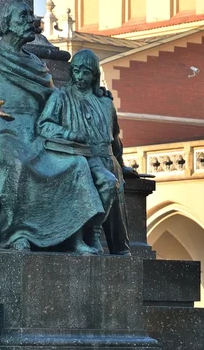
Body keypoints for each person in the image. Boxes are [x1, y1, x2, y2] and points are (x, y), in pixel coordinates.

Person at [0, 1, 106, 294]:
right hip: (1, 129)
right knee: (16, 163)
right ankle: (14, 233)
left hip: (36, 130)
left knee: (75, 165)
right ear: (6, 23)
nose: (30, 21)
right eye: (23, 16)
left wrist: (91, 97)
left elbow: (58, 100)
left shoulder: (36, 64)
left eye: (30, 16)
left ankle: (74, 236)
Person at [38, 49, 135, 255]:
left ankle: (109, 242)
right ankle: (92, 234)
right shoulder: (61, 97)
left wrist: (121, 163)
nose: (81, 77)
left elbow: (115, 137)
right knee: (107, 184)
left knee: (119, 231)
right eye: (77, 71)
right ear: (72, 72)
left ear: (94, 76)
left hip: (108, 158)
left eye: (86, 73)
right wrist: (68, 133)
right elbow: (44, 125)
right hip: (83, 156)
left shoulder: (106, 103)